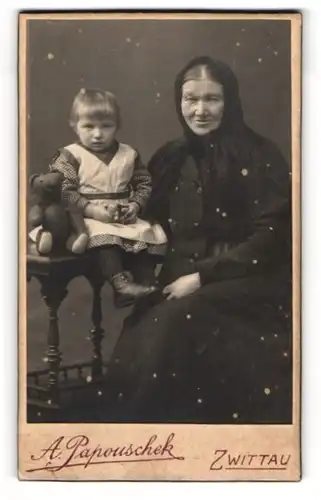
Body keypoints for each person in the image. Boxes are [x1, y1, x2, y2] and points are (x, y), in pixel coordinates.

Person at [102, 56, 293, 424]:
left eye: (212, 99)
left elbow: (271, 238)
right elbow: (146, 219)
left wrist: (202, 276)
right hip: (178, 279)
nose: (200, 110)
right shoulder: (171, 156)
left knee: (174, 326)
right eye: (191, 99)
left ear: (230, 101)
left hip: (245, 283)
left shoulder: (261, 155)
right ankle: (137, 451)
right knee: (143, 335)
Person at [29, 88, 167, 307]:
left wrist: (135, 204)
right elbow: (63, 191)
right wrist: (92, 210)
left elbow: (143, 183)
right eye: (88, 126)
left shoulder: (128, 154)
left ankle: (147, 284)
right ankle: (120, 285)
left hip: (122, 215)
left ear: (117, 125)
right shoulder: (70, 156)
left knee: (143, 238)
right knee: (105, 242)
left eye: (106, 126)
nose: (97, 134)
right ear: (74, 125)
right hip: (86, 217)